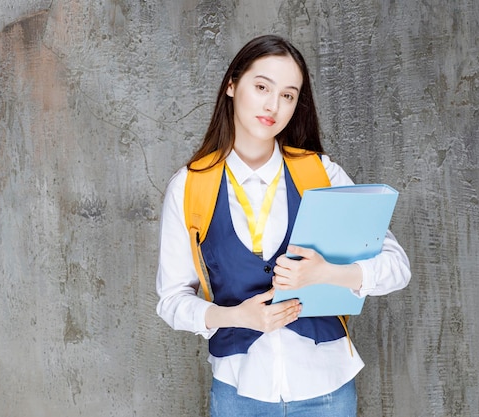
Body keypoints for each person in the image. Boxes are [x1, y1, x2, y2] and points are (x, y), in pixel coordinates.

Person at [156, 34, 411, 417]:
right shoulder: (190, 186)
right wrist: (234, 316)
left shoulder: (321, 174)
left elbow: (397, 268)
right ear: (231, 84)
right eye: (261, 87)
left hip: (327, 390)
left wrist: (330, 273)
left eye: (288, 95)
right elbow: (172, 300)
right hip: (239, 392)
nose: (273, 105)